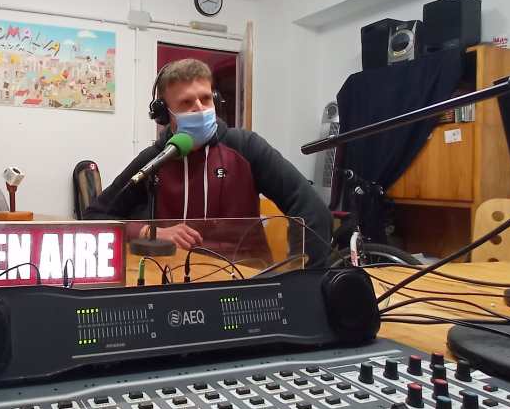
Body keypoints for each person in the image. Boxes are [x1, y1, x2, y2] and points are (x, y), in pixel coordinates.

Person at [85, 58, 331, 266]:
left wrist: (301, 277)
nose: (200, 108)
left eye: (205, 99)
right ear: (164, 114)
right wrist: (150, 232)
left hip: (244, 278)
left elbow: (311, 209)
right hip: (173, 275)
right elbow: (94, 216)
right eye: (186, 102)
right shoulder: (154, 160)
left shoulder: (246, 147)